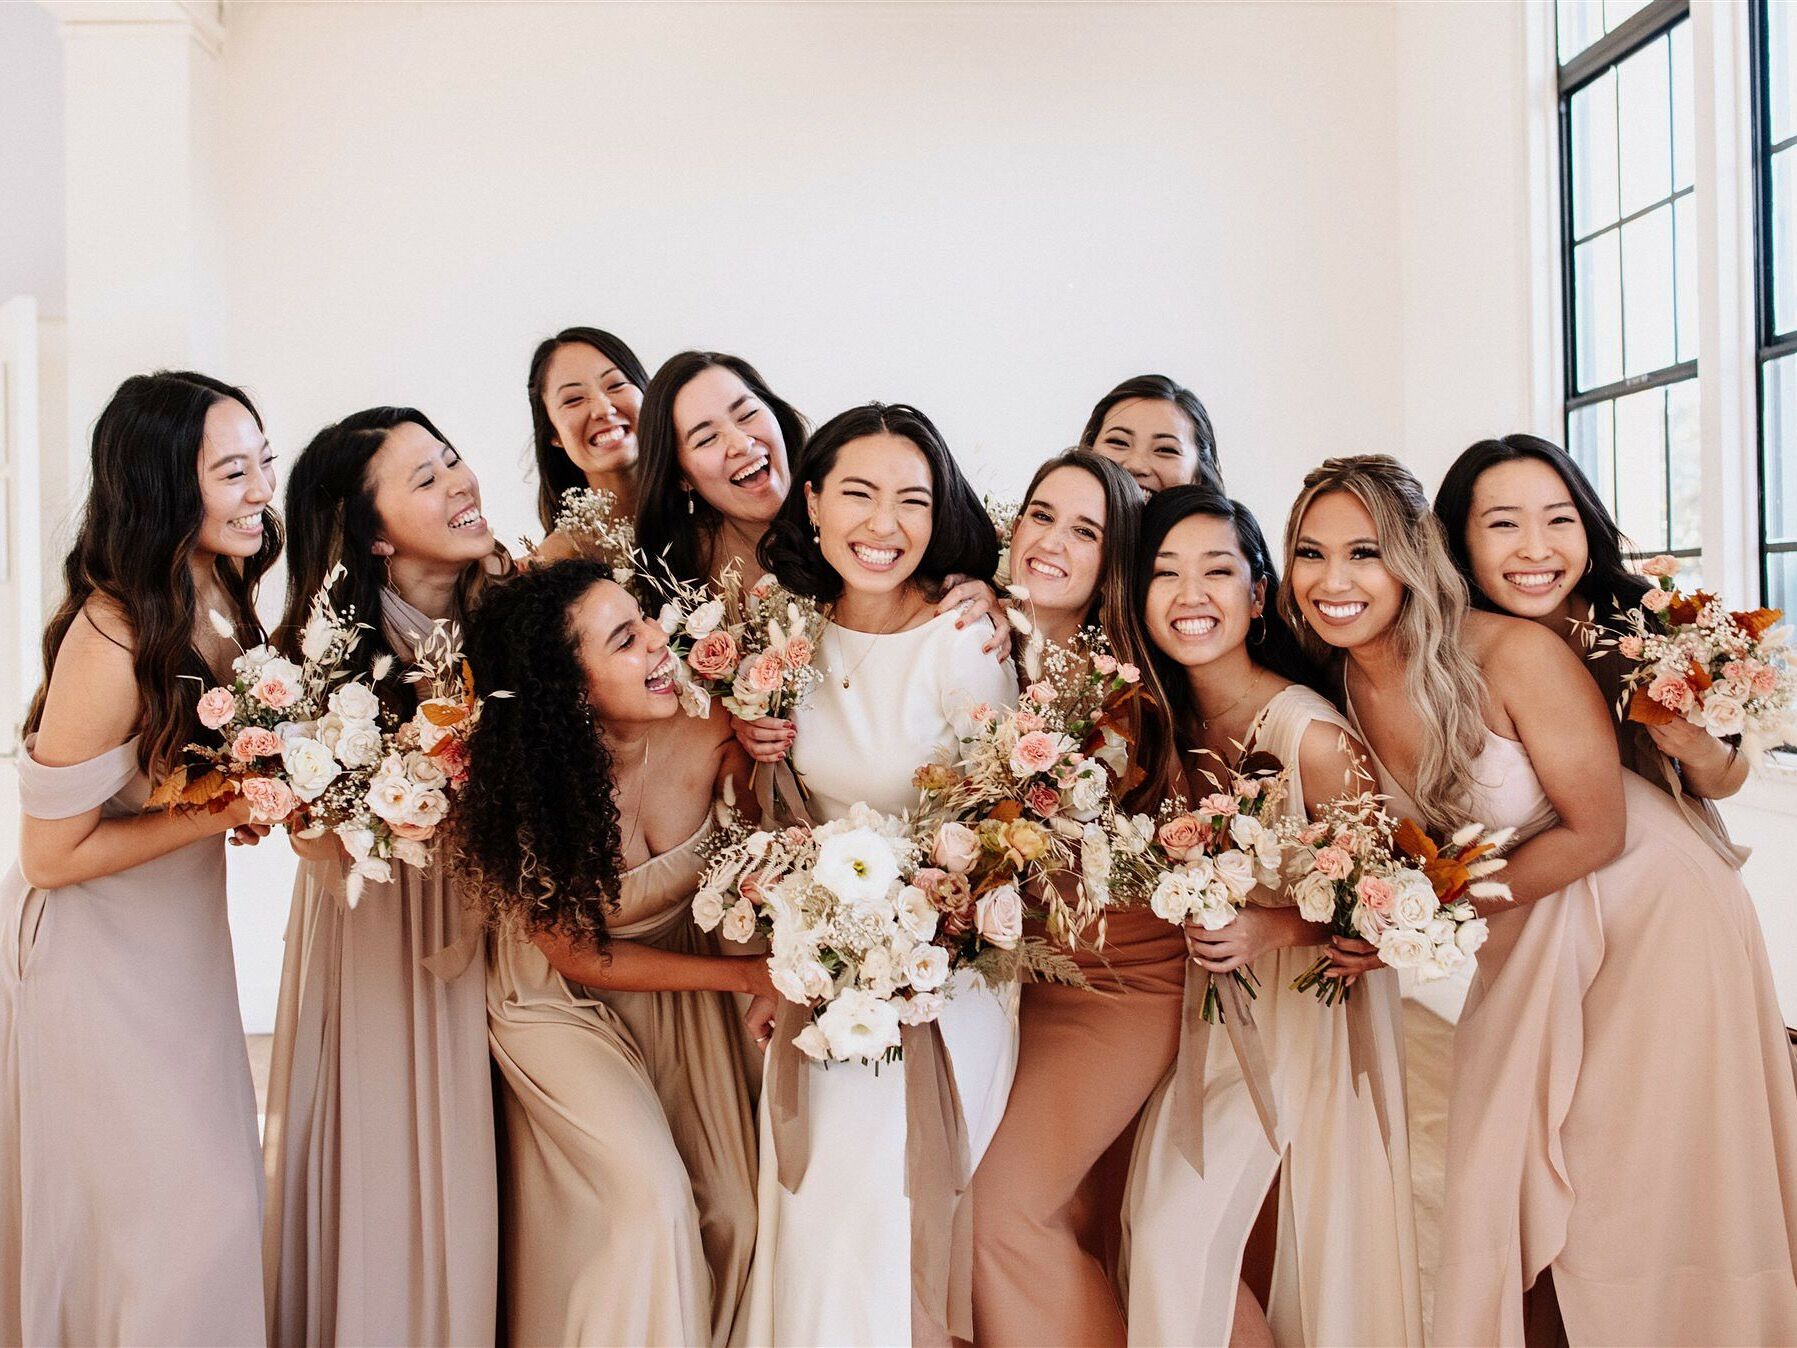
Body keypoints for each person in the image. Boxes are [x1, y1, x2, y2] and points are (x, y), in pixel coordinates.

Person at [1284, 454, 1797, 1345]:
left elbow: (1610, 822)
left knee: (1640, 1170)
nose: (1337, 579)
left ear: (1412, 552)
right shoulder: (1331, 674)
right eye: (1310, 553)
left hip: (1650, 910)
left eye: (1363, 551)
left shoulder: (1560, 640)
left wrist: (1421, 921)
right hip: (1534, 919)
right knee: (1509, 1169)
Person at [734, 402, 1019, 1345]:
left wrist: (908, 939)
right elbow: (770, 813)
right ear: (811, 502)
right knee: (811, 1200)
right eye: (857, 494)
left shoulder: (962, 642)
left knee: (877, 1206)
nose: (883, 525)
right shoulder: (784, 640)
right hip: (819, 975)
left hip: (940, 978)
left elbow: (1006, 828)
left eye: (912, 501)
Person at [2, 371, 277, 1345]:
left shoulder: (218, 588)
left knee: (211, 1205)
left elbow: (170, 782)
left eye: (264, 464)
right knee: (172, 1226)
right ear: (165, 485)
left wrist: (211, 801)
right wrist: (215, 811)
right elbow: (48, 854)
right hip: (97, 960)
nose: (260, 491)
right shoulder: (112, 634)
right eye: (232, 471)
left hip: (176, 950)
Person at [262, 407, 502, 1346]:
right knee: (393, 1167)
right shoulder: (324, 655)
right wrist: (388, 784)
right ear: (370, 532)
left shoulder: (517, 609)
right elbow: (309, 842)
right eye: (426, 480)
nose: (459, 484)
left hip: (511, 928)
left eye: (452, 459)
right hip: (379, 930)